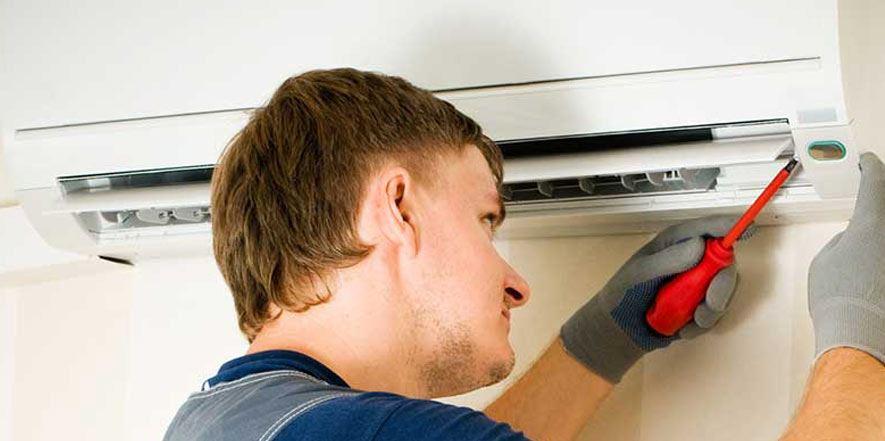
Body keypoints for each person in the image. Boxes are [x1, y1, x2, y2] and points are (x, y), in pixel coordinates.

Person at [163, 69, 884, 441]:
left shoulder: (213, 419)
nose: (515, 284)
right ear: (398, 208)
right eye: (485, 220)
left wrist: (601, 340)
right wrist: (859, 331)